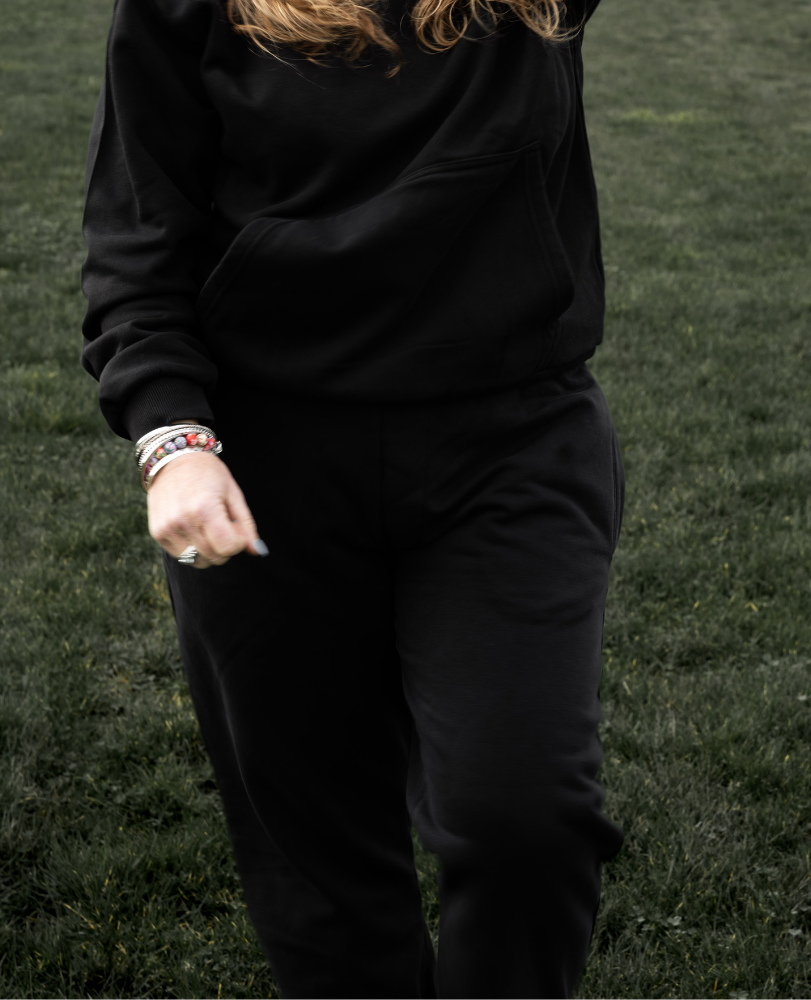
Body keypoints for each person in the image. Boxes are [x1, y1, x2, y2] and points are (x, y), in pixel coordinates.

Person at [81, 0, 624, 994]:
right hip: (264, 458)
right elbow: (139, 224)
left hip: (508, 441)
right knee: (319, 868)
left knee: (524, 821)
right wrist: (174, 439)